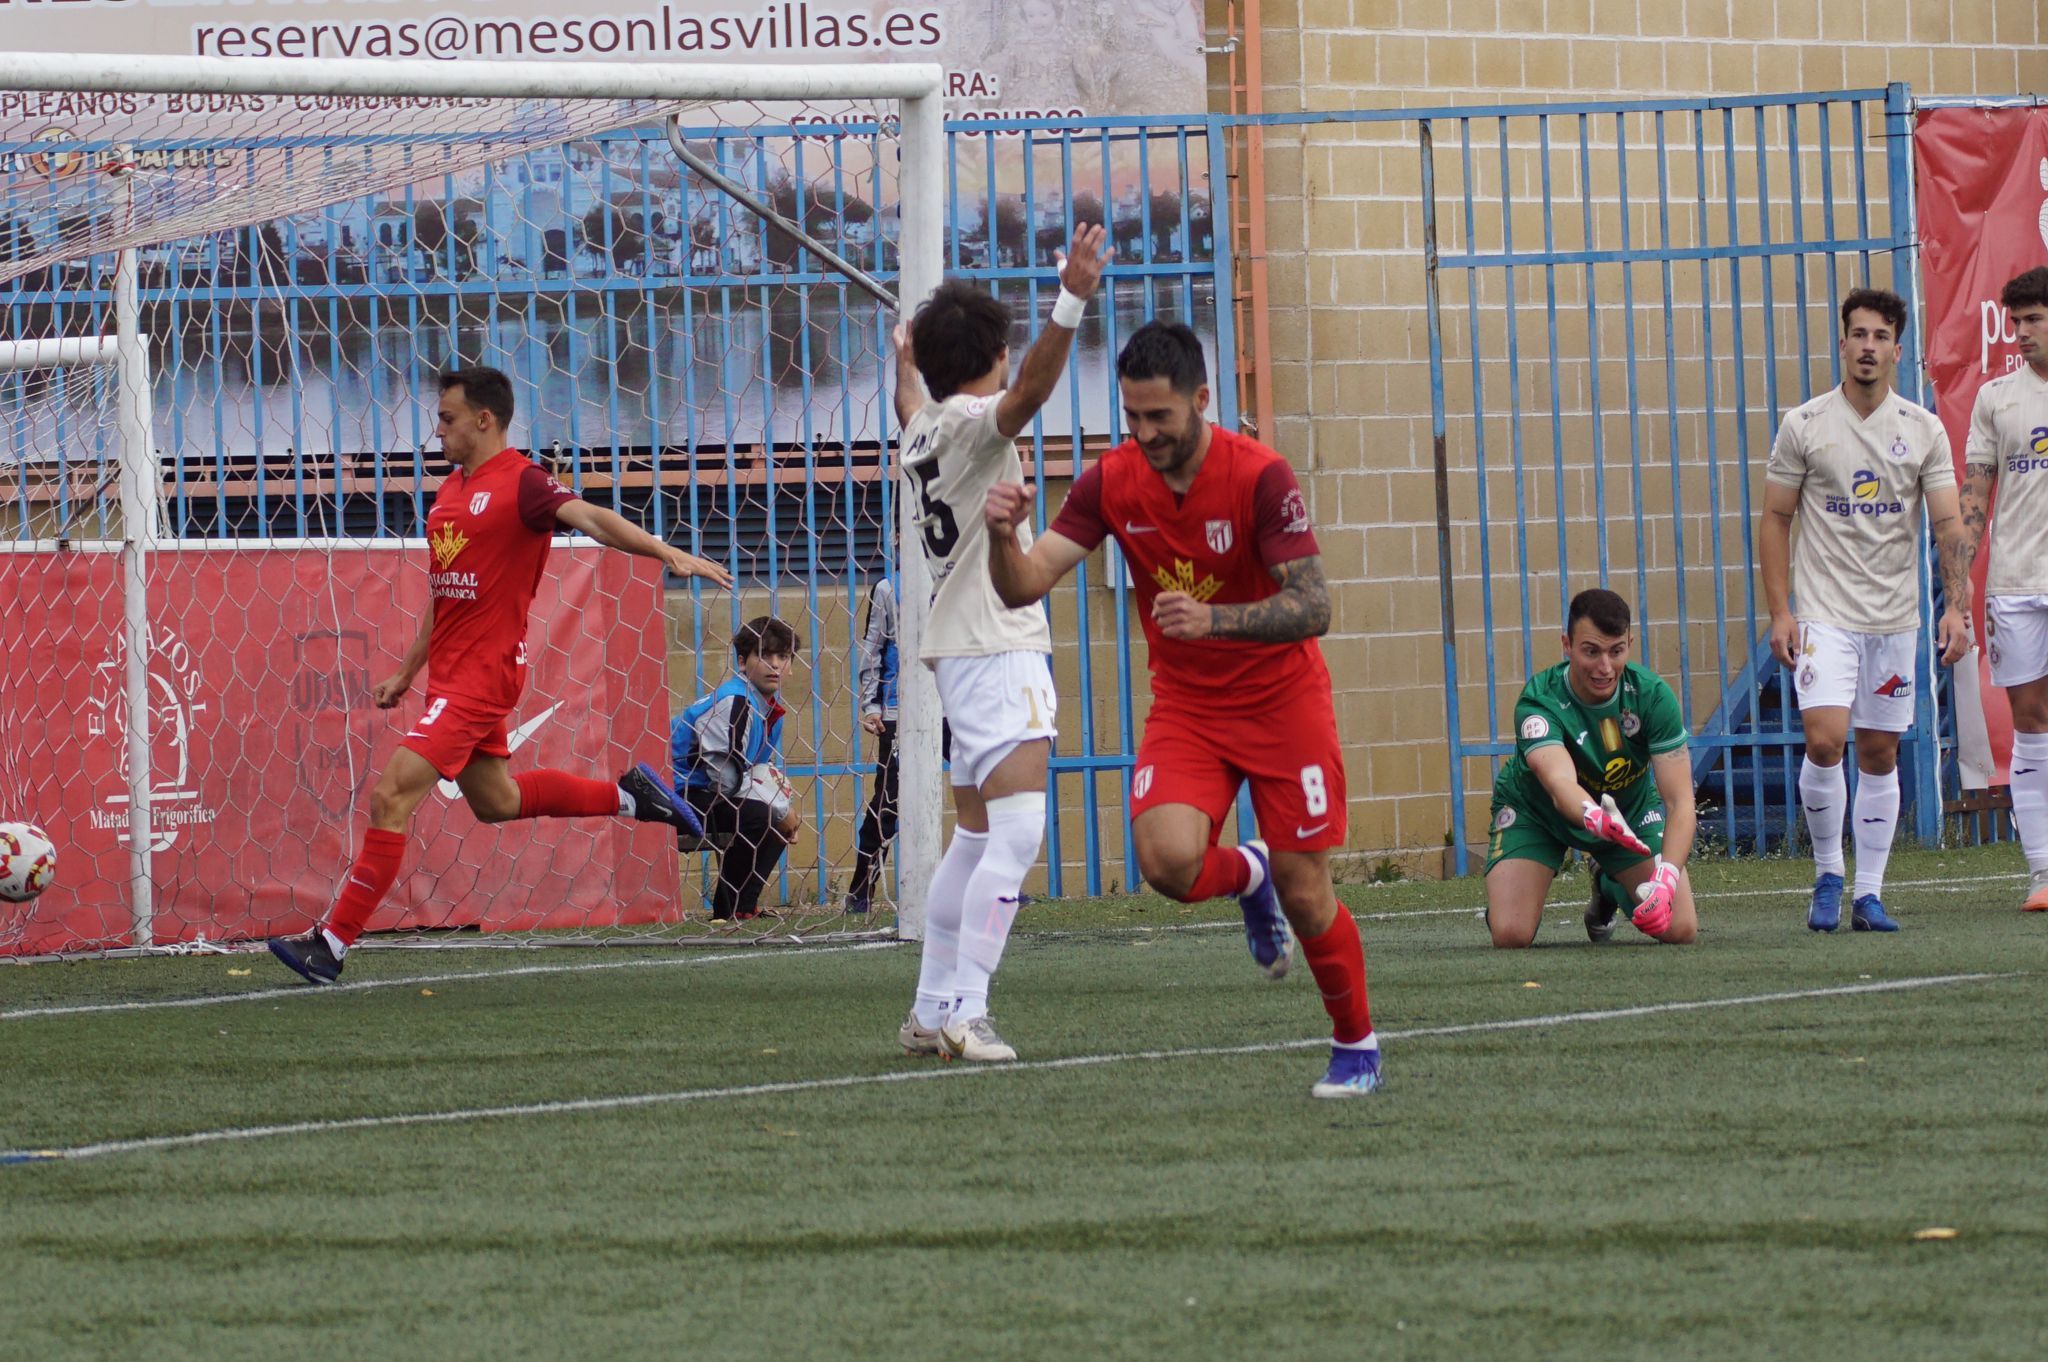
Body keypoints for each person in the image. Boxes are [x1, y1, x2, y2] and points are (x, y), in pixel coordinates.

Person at [983, 320, 1382, 1099]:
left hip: (1282, 703)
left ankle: (1356, 1044)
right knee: (1166, 862)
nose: (1144, 433)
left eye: (1159, 416)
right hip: (1189, 707)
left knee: (1310, 892)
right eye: (1131, 416)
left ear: (1202, 399)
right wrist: (1002, 535)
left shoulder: (1261, 476)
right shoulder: (1111, 480)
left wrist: (1217, 620)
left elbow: (1313, 606)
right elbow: (1024, 584)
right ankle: (1248, 874)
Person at [267, 365, 731, 983]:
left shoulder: (524, 484)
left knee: (390, 795)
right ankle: (631, 796)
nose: (438, 431)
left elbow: (591, 517)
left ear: (485, 420)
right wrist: (408, 671)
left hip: (483, 679)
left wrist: (665, 552)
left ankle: (332, 944)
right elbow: (445, 591)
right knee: (496, 801)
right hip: (450, 677)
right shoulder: (450, 492)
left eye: (448, 419)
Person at [891, 223, 1110, 1064]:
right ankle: (967, 1011)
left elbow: (911, 398)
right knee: (1017, 835)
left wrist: (904, 360)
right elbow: (1026, 396)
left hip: (958, 652)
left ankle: (929, 1007)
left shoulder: (923, 427)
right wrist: (1074, 297)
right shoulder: (978, 422)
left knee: (978, 839)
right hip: (996, 642)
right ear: (992, 354)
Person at [1760, 288, 1972, 933]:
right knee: (1825, 741)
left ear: (1897, 350)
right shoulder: (1804, 424)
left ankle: (1869, 894)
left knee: (1879, 753)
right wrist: (1780, 611)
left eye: (1881, 337)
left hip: (1893, 620)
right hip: (1825, 613)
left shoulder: (1922, 428)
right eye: (1858, 335)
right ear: (1843, 343)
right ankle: (1828, 874)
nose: (1869, 347)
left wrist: (1956, 608)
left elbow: (1947, 524)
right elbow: (1774, 518)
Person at [1483, 589, 1698, 948]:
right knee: (1511, 934)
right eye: (1591, 651)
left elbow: (1680, 803)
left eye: (1616, 651)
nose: (1605, 667)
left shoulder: (1653, 697)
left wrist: (1667, 878)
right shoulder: (1539, 700)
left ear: (1630, 643)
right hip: (1537, 812)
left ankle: (1607, 883)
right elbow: (1558, 781)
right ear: (1567, 645)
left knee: (1679, 929)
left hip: (1627, 814)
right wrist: (1594, 816)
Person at [1960, 267, 2048, 912]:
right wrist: (1958, 574)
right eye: (2015, 322)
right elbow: (1975, 494)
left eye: (2033, 320)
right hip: (2016, 581)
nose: (2020, 334)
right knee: (2032, 725)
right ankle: (2043, 874)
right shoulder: (1997, 397)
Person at [672, 616, 805, 922]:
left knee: (771, 818)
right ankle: (726, 910)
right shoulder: (735, 701)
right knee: (762, 816)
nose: (774, 665)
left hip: (710, 794)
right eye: (764, 655)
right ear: (743, 663)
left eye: (782, 657)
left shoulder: (769, 708)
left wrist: (783, 809)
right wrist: (781, 810)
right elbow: (726, 780)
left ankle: (743, 908)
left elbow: (758, 770)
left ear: (791, 665)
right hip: (677, 794)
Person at [845, 576, 899, 916]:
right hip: (901, 711)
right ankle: (860, 892)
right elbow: (873, 646)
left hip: (959, 707)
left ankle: (999, 889)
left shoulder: (966, 572)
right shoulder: (889, 588)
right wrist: (871, 705)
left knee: (985, 790)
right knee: (888, 802)